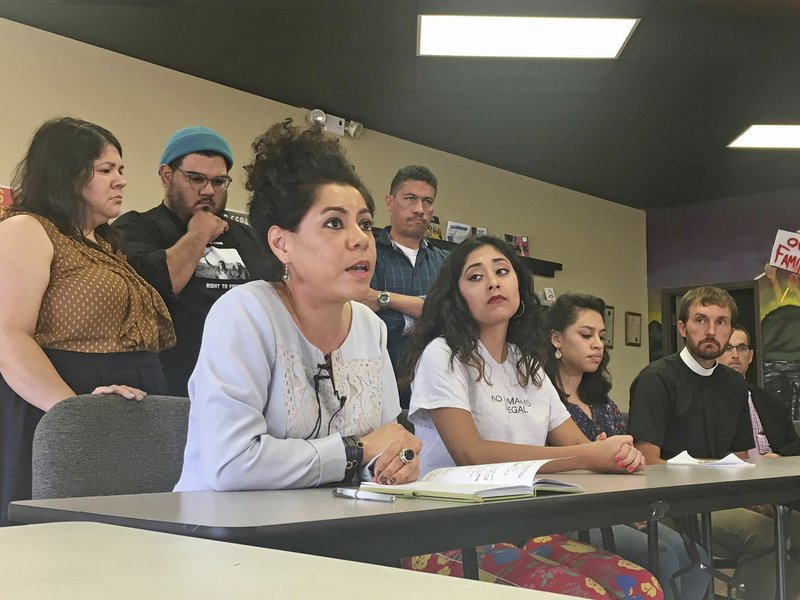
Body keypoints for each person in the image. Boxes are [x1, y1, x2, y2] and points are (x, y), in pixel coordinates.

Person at [402, 236, 661, 598]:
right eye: (475, 277)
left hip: (525, 527)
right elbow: (471, 455)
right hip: (448, 532)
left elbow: (578, 445)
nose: (493, 282)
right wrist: (589, 456)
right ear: (456, 296)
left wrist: (616, 453)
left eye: (502, 271)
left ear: (519, 287)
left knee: (641, 587)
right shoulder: (443, 355)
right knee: (580, 593)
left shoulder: (528, 367)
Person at [174, 120, 420, 492]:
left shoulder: (371, 327)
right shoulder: (245, 313)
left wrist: (397, 463)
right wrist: (355, 452)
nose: (360, 240)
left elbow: (384, 447)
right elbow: (232, 465)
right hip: (223, 537)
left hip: (331, 532)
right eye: (335, 223)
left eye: (366, 224)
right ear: (281, 244)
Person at [0, 117, 176, 525]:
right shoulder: (28, 229)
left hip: (127, 405)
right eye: (106, 170)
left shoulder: (107, 245)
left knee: (138, 540)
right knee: (63, 543)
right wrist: (74, 414)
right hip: (63, 401)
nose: (120, 181)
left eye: (121, 170)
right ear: (67, 175)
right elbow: (8, 336)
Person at [544, 292, 709, 599]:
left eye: (601, 336)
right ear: (556, 338)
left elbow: (630, 460)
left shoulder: (604, 403)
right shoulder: (542, 399)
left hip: (623, 507)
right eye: (586, 334)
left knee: (696, 557)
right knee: (665, 557)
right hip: (571, 514)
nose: (597, 344)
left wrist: (632, 506)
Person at [113, 126, 270, 396]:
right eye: (196, 179)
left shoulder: (248, 235)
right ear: (167, 176)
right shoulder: (137, 227)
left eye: (219, 181)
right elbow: (159, 288)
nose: (208, 190)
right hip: (174, 391)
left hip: (246, 387)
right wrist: (198, 233)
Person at [714, 325, 800, 599]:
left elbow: (793, 441)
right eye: (728, 348)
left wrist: (780, 458)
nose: (735, 355)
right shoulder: (705, 402)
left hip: (776, 490)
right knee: (768, 536)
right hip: (730, 493)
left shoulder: (769, 400)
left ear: (751, 356)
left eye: (741, 348)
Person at [628, 286, 753, 463]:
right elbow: (647, 461)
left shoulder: (736, 384)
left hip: (725, 487)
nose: (711, 331)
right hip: (670, 488)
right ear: (682, 328)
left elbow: (740, 457)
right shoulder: (655, 380)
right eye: (701, 320)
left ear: (731, 331)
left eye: (721, 322)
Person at [364, 165, 448, 407]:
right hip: (378, 386)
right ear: (390, 202)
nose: (419, 209)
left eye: (427, 201)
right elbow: (364, 316)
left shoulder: (445, 262)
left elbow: (449, 315)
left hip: (436, 390)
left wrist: (384, 299)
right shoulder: (368, 253)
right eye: (410, 198)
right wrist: (425, 314)